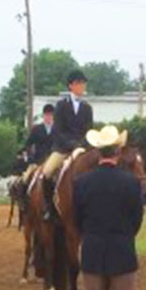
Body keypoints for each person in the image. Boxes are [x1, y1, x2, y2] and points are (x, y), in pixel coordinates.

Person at [73, 125, 144, 290]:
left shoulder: (81, 182)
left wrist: (91, 235)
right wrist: (124, 236)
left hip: (93, 247)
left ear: (98, 152)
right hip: (122, 249)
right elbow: (137, 220)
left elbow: (77, 219)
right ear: (118, 152)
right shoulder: (131, 182)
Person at [42, 70, 93, 221]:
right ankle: (49, 208)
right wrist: (72, 145)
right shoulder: (61, 105)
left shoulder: (87, 108)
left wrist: (82, 145)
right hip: (63, 149)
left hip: (83, 149)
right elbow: (58, 131)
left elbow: (89, 131)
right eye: (78, 83)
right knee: (47, 172)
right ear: (71, 86)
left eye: (83, 83)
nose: (81, 86)